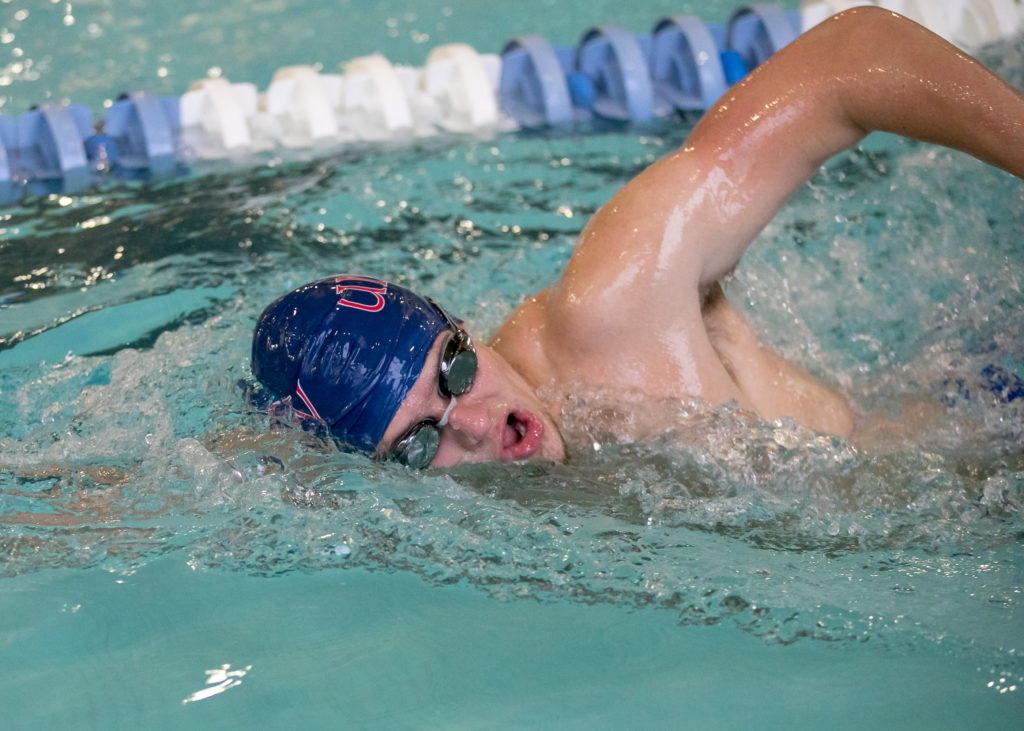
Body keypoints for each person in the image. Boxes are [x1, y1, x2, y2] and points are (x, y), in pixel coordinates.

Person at [251, 7, 1024, 469]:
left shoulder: (614, 306)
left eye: (453, 371)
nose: (485, 424)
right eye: (422, 445)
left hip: (985, 422)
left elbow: (856, 55)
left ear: (459, 328)